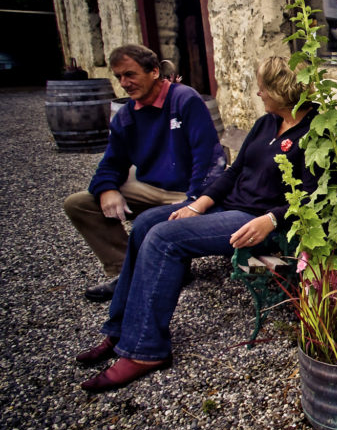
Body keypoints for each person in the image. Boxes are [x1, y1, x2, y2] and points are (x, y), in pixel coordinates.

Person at [76, 55, 317, 393]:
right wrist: (199, 204)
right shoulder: (266, 123)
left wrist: (272, 218)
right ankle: (119, 331)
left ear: (281, 89)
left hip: (254, 220)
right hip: (227, 205)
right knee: (146, 223)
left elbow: (314, 193)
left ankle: (146, 349)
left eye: (263, 88)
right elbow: (234, 171)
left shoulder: (316, 130)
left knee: (164, 239)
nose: (259, 94)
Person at [64, 44, 225, 302]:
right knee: (80, 204)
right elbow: (110, 163)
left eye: (130, 74)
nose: (124, 83)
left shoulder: (184, 100)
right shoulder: (126, 116)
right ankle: (127, 271)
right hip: (150, 187)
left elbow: (208, 158)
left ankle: (165, 266)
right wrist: (107, 189)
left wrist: (194, 202)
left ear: (153, 72)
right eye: (119, 77)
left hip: (187, 190)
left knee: (153, 220)